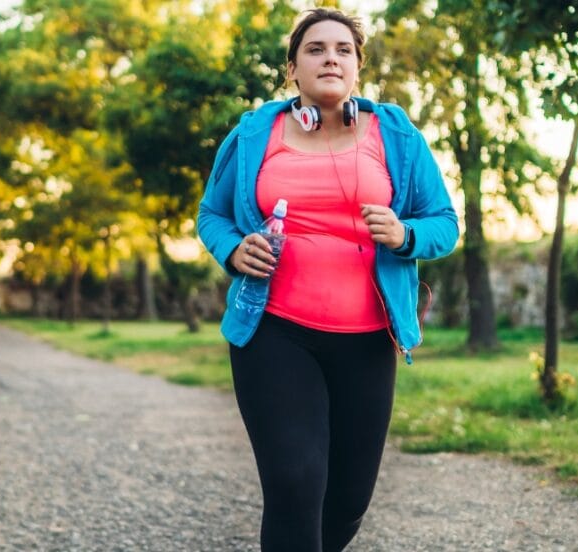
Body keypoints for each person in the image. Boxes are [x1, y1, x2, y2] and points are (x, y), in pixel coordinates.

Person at [197, 7, 458, 551]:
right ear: (292, 68)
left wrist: (405, 234)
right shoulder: (253, 133)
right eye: (315, 49)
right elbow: (211, 215)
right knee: (295, 483)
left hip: (366, 341)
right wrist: (232, 248)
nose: (330, 58)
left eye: (343, 49)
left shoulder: (396, 134)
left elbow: (444, 223)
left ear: (358, 67)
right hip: (274, 332)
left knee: (346, 501)